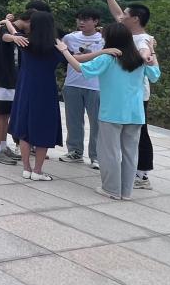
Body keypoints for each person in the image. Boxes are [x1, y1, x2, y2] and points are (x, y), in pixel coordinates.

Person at [63, 22, 160, 200]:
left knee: (110, 152)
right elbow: (155, 76)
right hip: (135, 113)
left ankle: (111, 189)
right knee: (130, 153)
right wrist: (152, 50)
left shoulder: (108, 58)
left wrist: (64, 51)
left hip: (112, 112)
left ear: (110, 39)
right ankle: (126, 192)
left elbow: (80, 68)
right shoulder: (139, 58)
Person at [5, 9, 82, 181]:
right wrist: (102, 52)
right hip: (46, 90)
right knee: (44, 127)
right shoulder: (56, 47)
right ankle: (37, 171)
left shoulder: (24, 41)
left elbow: (9, 32)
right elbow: (77, 60)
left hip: (25, 88)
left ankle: (26, 168)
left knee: (24, 128)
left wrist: (7, 22)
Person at [104, 0, 156, 190]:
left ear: (135, 19)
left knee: (139, 133)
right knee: (130, 133)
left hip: (137, 94)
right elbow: (117, 13)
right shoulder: (128, 34)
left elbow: (145, 52)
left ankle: (142, 174)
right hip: (125, 93)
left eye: (126, 14)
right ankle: (130, 170)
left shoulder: (143, 39)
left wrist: (147, 55)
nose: (121, 16)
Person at [59, 9, 104, 169]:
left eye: (86, 19)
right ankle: (75, 152)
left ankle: (97, 156)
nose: (81, 22)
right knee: (73, 121)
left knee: (97, 123)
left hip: (96, 86)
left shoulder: (103, 40)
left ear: (96, 21)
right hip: (72, 84)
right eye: (79, 19)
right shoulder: (69, 38)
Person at [0, 12, 31, 165]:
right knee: (0, 115)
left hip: (13, 80)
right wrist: (12, 35)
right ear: (27, 20)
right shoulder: (5, 28)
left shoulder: (14, 29)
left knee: (6, 115)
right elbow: (3, 36)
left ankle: (3, 147)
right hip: (2, 78)